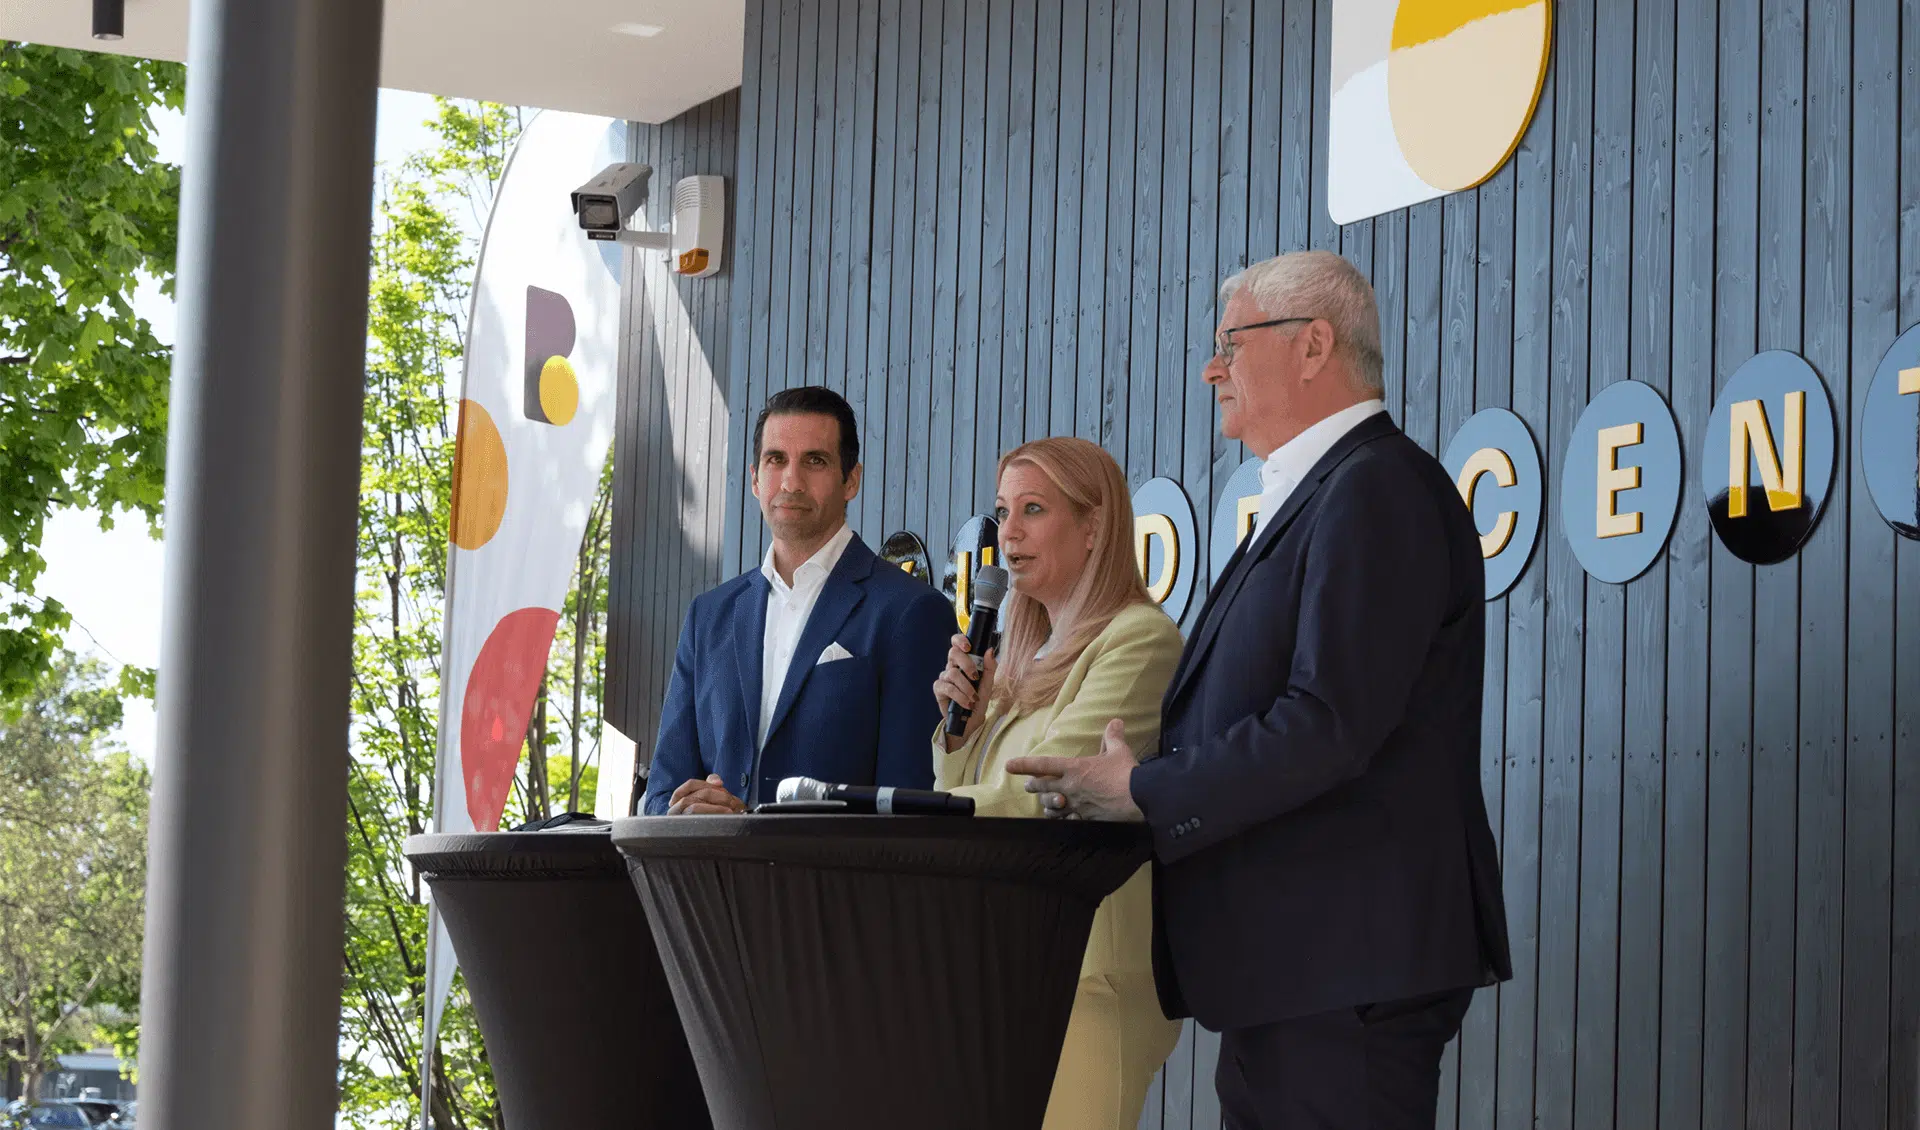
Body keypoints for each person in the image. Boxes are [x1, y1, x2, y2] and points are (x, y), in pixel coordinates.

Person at [1008, 250, 1512, 1129]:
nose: (1213, 369)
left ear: (1314, 345)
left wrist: (1147, 787)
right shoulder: (1325, 491)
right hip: (1300, 971)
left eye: (1231, 344)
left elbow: (1328, 723)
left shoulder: (1375, 487)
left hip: (1341, 970)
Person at [931, 437, 1185, 1130]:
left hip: (1088, 977)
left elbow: (1046, 791)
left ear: (1094, 525)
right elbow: (979, 788)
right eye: (1002, 511)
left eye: (1033, 510)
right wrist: (959, 735)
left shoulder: (1138, 638)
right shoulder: (1018, 656)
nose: (1008, 532)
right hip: (1001, 964)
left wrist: (912, 815)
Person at [643, 386, 956, 815]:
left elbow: (906, 808)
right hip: (713, 860)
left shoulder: (911, 612)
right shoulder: (709, 616)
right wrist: (685, 812)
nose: (791, 482)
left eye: (815, 461)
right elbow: (660, 795)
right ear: (755, 479)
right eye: (776, 460)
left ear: (851, 480)